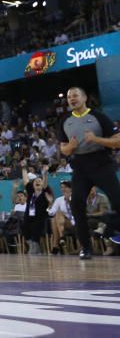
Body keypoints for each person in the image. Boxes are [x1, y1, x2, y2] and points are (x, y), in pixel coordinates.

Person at [59, 86, 120, 258]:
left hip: (102, 164)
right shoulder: (64, 120)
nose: (72, 99)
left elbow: (118, 141)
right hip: (80, 167)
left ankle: (107, 229)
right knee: (76, 205)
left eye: (75, 95)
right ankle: (86, 248)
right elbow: (63, 148)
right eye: (69, 97)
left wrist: (96, 139)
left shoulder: (98, 117)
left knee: (117, 201)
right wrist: (70, 147)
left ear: (84, 98)